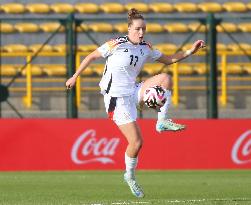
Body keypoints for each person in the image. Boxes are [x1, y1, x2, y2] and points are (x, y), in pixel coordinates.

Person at [66, 8, 205, 198]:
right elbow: (90, 57)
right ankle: (129, 176)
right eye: (138, 29)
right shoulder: (115, 44)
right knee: (137, 142)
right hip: (116, 99)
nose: (141, 32)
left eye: (144, 29)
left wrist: (191, 50)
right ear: (129, 29)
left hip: (133, 92)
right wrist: (75, 76)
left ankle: (161, 122)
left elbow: (169, 59)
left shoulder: (145, 47)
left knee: (165, 78)